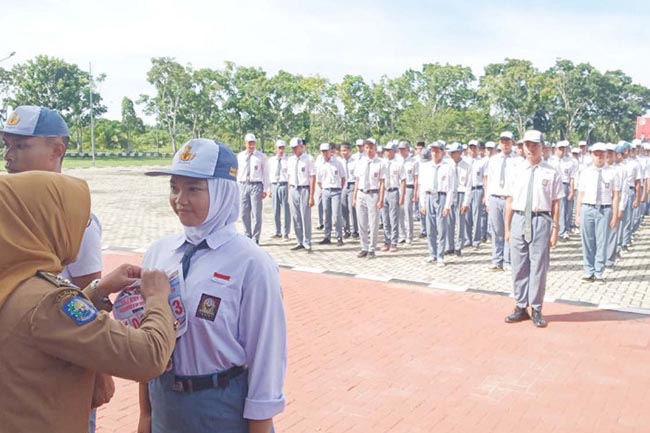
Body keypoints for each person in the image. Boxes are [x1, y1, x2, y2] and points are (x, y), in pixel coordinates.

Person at [0, 171, 177, 433]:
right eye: (77, 222)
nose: (81, 232)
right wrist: (157, 299)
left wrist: (98, 290)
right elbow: (147, 357)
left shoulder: (13, 280)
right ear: (46, 224)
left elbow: (42, 325)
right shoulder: (49, 301)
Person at [142, 138, 287, 433]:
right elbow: (147, 338)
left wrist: (259, 426)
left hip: (221, 409)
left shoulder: (251, 262)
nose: (180, 199)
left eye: (194, 189)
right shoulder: (159, 253)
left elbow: (267, 354)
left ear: (222, 192)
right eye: (174, 187)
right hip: (165, 405)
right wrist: (146, 413)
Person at [2, 105, 108, 431]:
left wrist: (100, 374)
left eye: (21, 146)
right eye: (7, 145)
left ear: (56, 151)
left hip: (61, 364)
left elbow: (92, 299)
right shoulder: (8, 206)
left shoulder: (77, 220)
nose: (9, 156)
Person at [504, 130, 563, 328]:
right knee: (519, 265)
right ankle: (521, 306)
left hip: (541, 220)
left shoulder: (551, 171)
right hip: (519, 218)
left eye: (534, 145)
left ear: (542, 147)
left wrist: (555, 229)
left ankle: (536, 308)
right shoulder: (515, 169)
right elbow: (510, 200)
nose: (530, 148)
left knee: (538, 266)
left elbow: (555, 202)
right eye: (527, 145)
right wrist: (507, 228)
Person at [575, 142, 621, 282]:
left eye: (602, 153)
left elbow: (616, 195)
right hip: (587, 208)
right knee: (588, 241)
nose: (599, 156)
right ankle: (588, 270)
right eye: (596, 153)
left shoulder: (612, 172)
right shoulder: (585, 172)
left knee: (602, 241)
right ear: (591, 155)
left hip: (604, 209)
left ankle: (599, 271)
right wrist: (577, 214)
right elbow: (580, 195)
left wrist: (615, 215)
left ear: (606, 154)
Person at [484, 132, 519, 271]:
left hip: (510, 199)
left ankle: (508, 260)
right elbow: (489, 180)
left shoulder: (518, 160)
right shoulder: (493, 160)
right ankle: (496, 259)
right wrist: (487, 200)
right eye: (502, 141)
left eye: (508, 141)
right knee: (496, 229)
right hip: (495, 197)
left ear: (512, 143)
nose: (505, 144)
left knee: (509, 229)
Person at [419, 141, 455, 266]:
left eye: (437, 151)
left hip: (442, 196)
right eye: (432, 151)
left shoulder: (448, 167)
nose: (434, 153)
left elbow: (451, 188)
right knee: (430, 228)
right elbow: (422, 186)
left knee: (441, 228)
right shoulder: (426, 166)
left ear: (442, 152)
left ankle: (440, 255)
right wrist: (422, 203)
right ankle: (432, 253)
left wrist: (447, 205)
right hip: (429, 196)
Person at [353, 138, 385, 258]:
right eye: (366, 147)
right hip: (361, 193)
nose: (369, 150)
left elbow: (382, 182)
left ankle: (372, 248)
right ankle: (364, 247)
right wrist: (355, 196)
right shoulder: (361, 162)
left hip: (373, 193)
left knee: (373, 223)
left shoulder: (380, 162)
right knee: (361, 222)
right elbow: (357, 180)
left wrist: (381, 199)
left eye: (371, 147)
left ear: (375, 148)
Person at [236, 133, 270, 244]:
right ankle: (247, 235)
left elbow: (265, 174)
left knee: (256, 213)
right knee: (244, 212)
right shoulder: (240, 156)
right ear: (245, 143)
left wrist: (265, 189)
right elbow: (237, 173)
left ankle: (255, 238)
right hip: (243, 184)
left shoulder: (261, 157)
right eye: (249, 143)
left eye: (253, 143)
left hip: (256, 185)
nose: (251, 145)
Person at [287, 137, 316, 252]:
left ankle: (307, 241)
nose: (294, 150)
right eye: (292, 148)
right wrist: (290, 189)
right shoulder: (290, 160)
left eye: (296, 147)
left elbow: (312, 176)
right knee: (295, 216)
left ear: (301, 146)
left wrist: (311, 196)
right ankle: (299, 240)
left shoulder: (308, 159)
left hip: (304, 189)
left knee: (305, 216)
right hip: (294, 189)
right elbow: (289, 176)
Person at [317, 142, 346, 245]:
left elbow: (343, 178)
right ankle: (327, 236)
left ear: (330, 151)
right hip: (325, 190)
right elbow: (319, 180)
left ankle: (339, 237)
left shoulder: (337, 162)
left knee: (337, 215)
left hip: (336, 190)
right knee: (327, 214)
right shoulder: (320, 164)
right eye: (323, 151)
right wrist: (324, 189)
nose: (325, 153)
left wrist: (339, 189)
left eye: (326, 151)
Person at [447, 142, 471, 256]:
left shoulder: (467, 166)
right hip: (450, 193)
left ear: (460, 152)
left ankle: (458, 246)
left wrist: (466, 202)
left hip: (461, 193)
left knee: (460, 221)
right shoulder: (447, 164)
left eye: (454, 152)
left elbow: (468, 185)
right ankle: (449, 245)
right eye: (451, 152)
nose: (452, 154)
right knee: (449, 221)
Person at [381, 141, 406, 252]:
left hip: (394, 191)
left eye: (389, 150)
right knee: (385, 218)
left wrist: (402, 196)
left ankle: (394, 241)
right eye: (386, 150)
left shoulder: (398, 163)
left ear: (394, 151)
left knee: (393, 217)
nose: (387, 152)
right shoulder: (382, 163)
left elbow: (403, 180)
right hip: (384, 191)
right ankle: (387, 240)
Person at [267, 139, 290, 240]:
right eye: (279, 148)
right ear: (275, 148)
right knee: (276, 210)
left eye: (282, 148)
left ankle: (286, 232)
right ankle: (277, 231)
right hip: (274, 185)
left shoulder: (288, 160)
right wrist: (269, 189)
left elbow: (290, 175)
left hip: (284, 185)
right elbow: (268, 175)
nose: (281, 150)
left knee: (286, 210)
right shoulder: (271, 161)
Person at [397, 140, 419, 245]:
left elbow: (416, 178)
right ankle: (401, 235)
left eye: (403, 149)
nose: (401, 151)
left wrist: (415, 193)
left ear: (407, 149)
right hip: (398, 187)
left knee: (408, 212)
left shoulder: (414, 161)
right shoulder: (397, 160)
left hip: (409, 187)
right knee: (399, 212)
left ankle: (409, 236)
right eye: (400, 149)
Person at [340, 142, 356, 239]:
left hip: (352, 184)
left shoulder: (355, 161)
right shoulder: (339, 162)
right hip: (343, 185)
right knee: (343, 208)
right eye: (342, 151)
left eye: (345, 150)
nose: (344, 153)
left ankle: (355, 230)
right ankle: (346, 229)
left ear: (349, 151)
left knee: (352, 208)